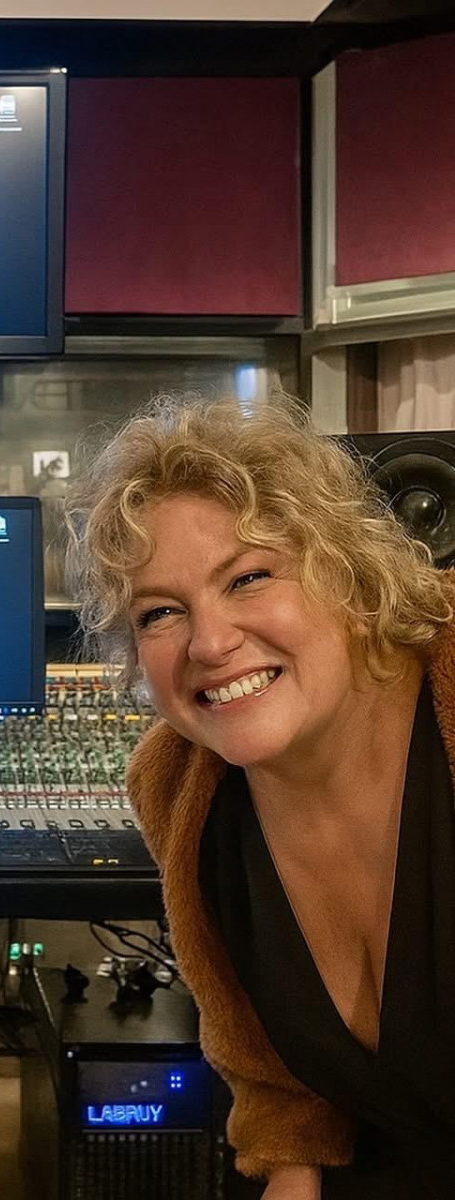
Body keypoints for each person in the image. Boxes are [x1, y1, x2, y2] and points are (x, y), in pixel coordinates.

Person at [66, 393, 455, 1200]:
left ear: (349, 572)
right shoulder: (178, 783)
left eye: (248, 578)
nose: (210, 643)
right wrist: (290, 1164)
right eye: (161, 612)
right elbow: (271, 1067)